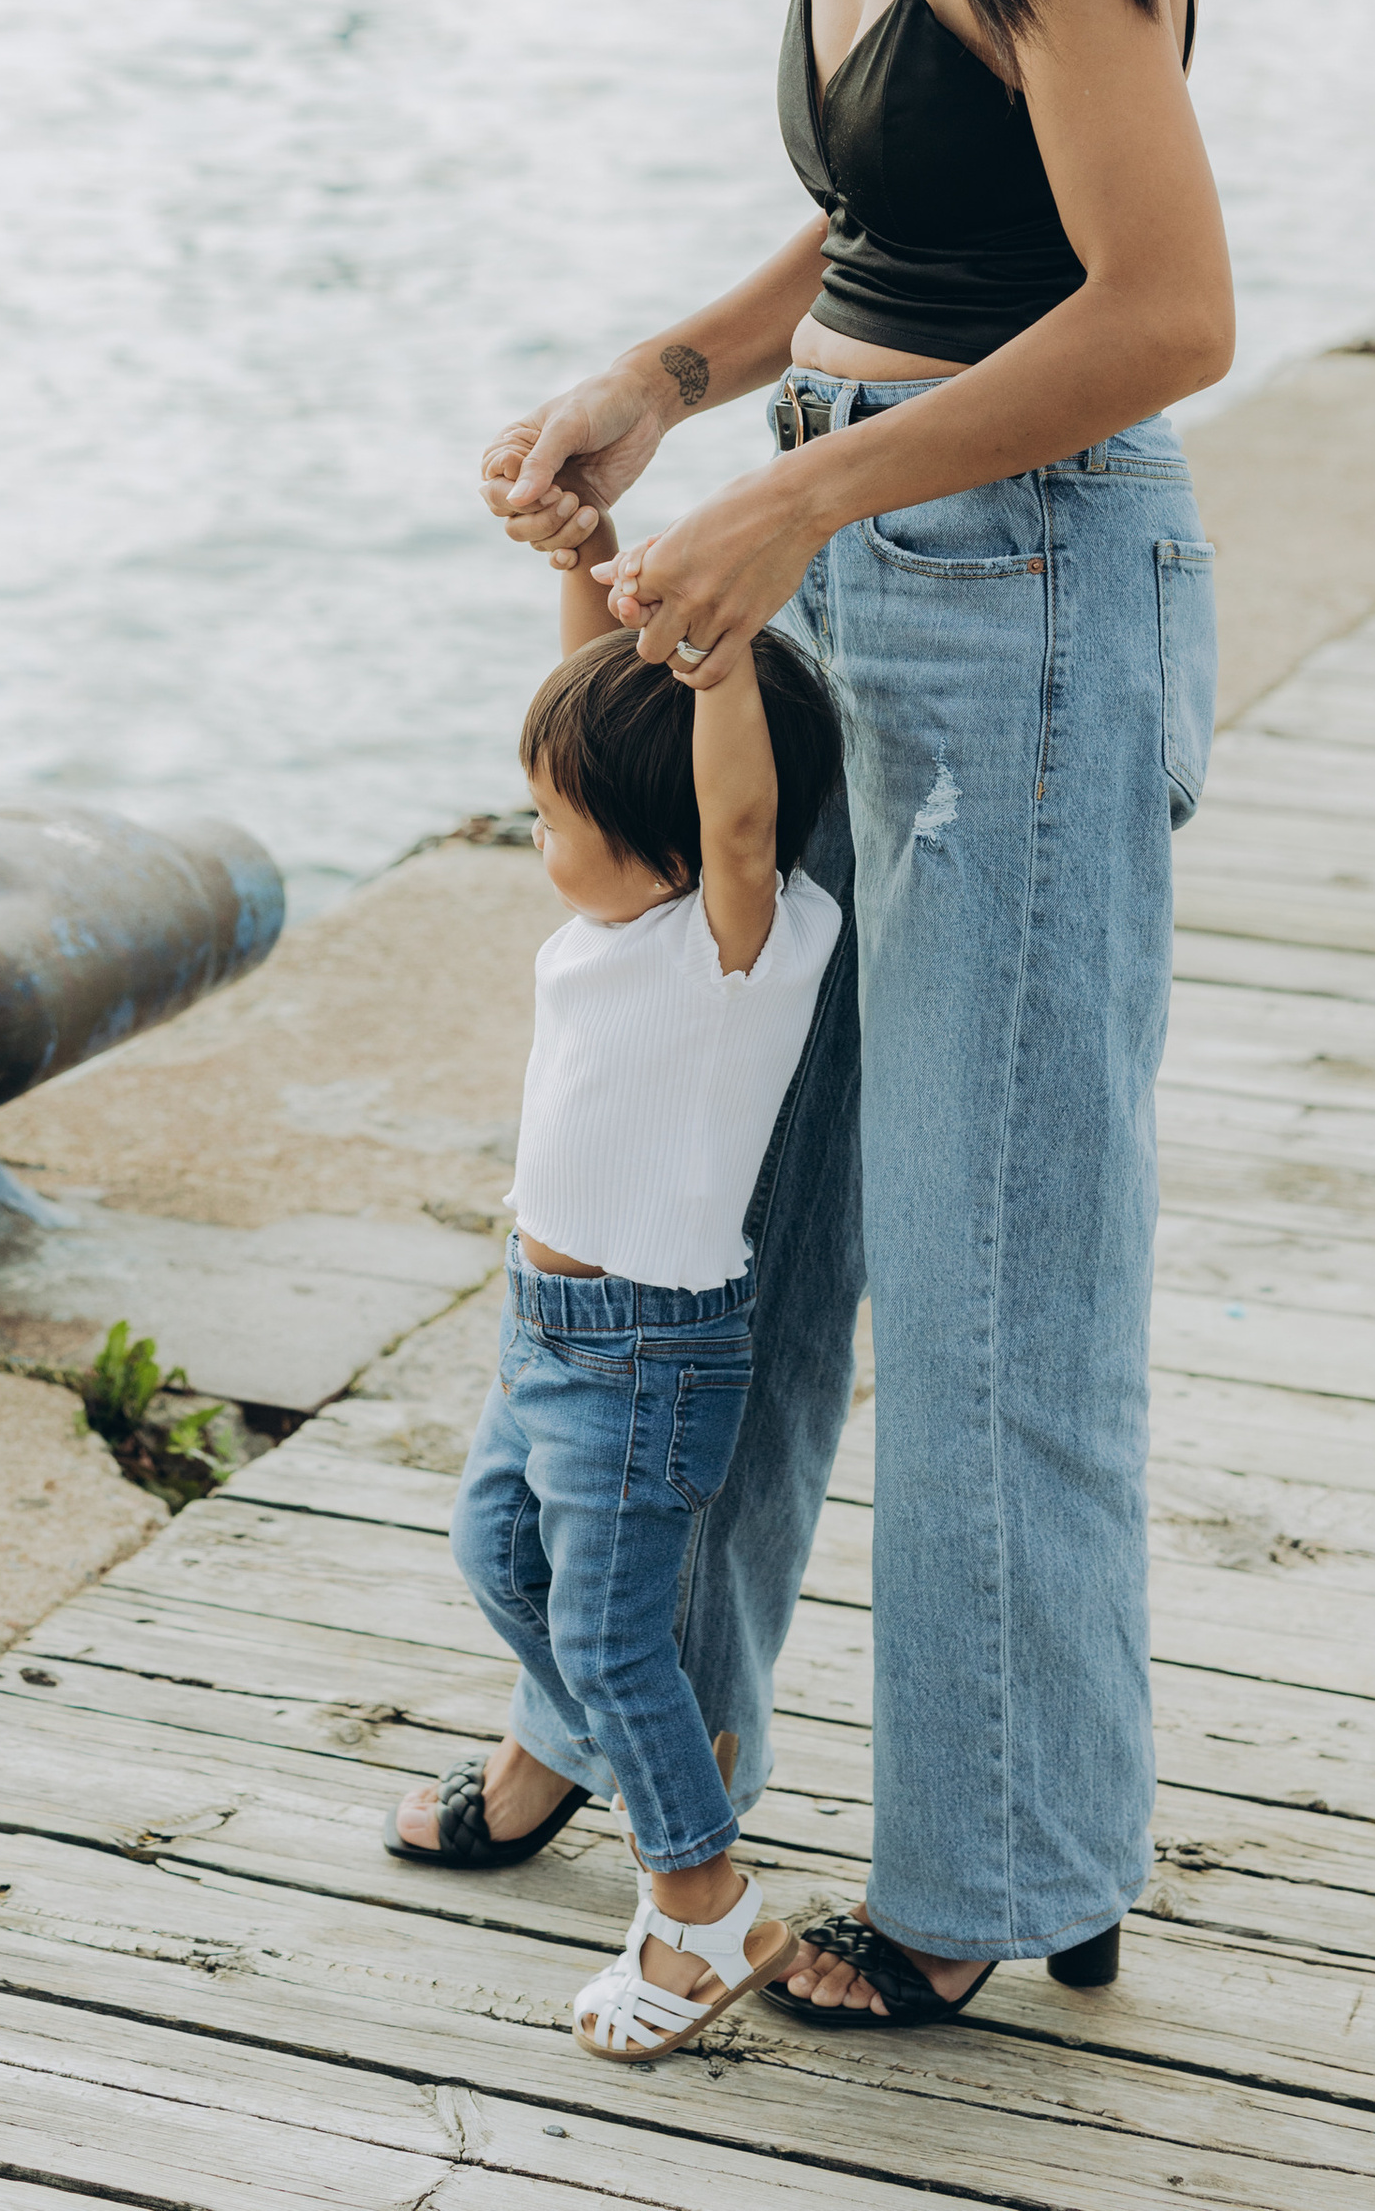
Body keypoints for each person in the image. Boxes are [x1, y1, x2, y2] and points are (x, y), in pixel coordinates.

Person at [476, 0, 1230, 2029]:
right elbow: (908, 211)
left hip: (1019, 597)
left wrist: (789, 487)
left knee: (994, 1270)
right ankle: (616, 1726)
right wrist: (668, 380)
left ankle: (994, 1872)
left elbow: (1167, 311)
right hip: (854, 561)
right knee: (725, 1225)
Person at [386, 500, 844, 2057]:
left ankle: (700, 1908)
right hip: (549, 1326)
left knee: (604, 1637)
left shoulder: (738, 938)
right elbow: (602, 732)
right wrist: (588, 576)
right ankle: (667, 1773)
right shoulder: (619, 905)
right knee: (497, 1561)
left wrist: (719, 680)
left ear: (655, 838)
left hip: (649, 1353)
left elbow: (724, 822)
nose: (533, 827)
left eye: (547, 813)